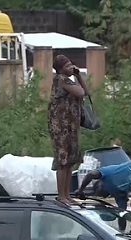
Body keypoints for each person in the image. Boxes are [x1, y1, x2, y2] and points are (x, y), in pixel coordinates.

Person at [48, 55, 89, 205]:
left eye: (71, 64)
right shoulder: (60, 80)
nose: (71, 68)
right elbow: (80, 93)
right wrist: (75, 77)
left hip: (71, 126)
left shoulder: (70, 80)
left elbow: (86, 91)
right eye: (67, 66)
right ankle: (61, 196)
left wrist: (78, 75)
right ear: (60, 69)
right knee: (62, 160)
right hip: (61, 127)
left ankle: (67, 195)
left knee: (70, 161)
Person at [74, 160, 131, 231]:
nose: (103, 195)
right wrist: (121, 231)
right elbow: (121, 214)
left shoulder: (107, 173)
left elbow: (91, 174)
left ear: (100, 183)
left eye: (99, 191)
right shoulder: (118, 192)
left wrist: (81, 190)